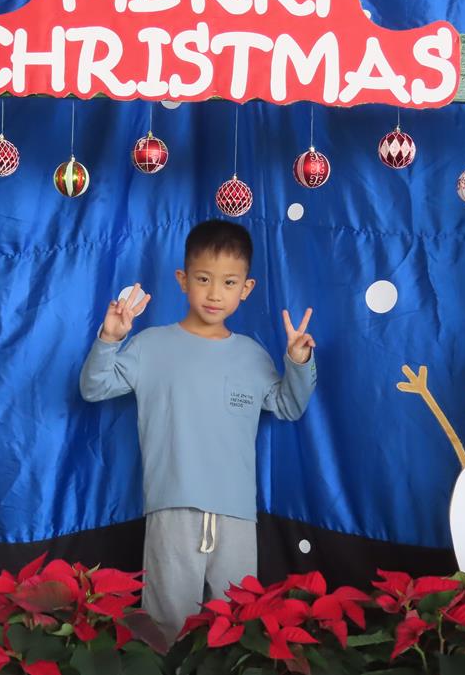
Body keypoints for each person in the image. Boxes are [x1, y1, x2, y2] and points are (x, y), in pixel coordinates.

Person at [79, 219, 317, 642]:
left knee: (238, 621)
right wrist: (109, 339)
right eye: (204, 279)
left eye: (229, 282)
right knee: (166, 624)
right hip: (172, 506)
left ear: (246, 289)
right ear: (183, 279)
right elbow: (94, 388)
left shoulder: (252, 355)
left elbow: (288, 406)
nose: (214, 293)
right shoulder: (151, 345)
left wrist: (298, 363)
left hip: (237, 513)